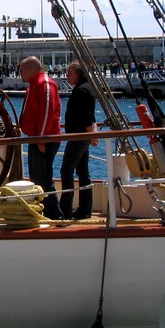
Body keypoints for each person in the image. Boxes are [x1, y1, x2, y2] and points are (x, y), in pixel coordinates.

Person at [18, 56, 63, 219]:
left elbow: (47, 113)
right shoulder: (34, 85)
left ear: (31, 69)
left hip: (44, 139)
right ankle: (43, 212)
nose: (20, 73)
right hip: (36, 138)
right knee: (37, 177)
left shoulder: (44, 84)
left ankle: (55, 216)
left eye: (22, 70)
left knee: (43, 178)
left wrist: (41, 139)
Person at [60, 61, 99, 220]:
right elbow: (92, 116)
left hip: (78, 137)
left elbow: (86, 117)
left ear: (78, 74)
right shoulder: (87, 88)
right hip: (83, 136)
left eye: (70, 73)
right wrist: (93, 134)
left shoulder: (81, 91)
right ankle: (85, 209)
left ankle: (65, 210)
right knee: (83, 172)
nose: (67, 76)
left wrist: (92, 135)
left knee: (66, 171)